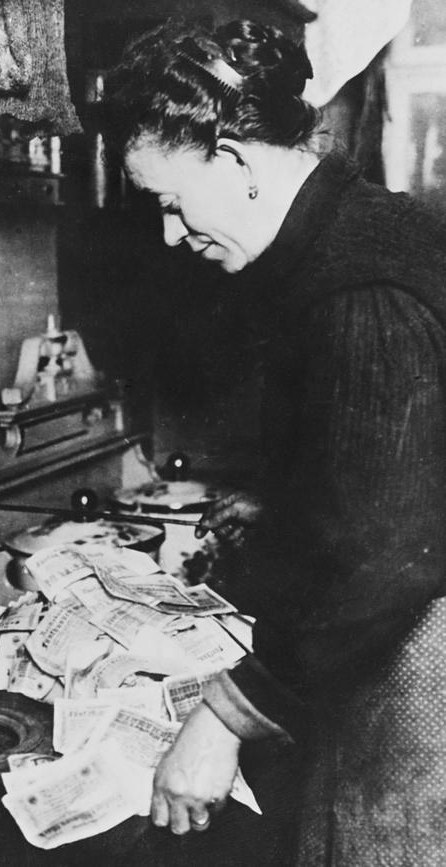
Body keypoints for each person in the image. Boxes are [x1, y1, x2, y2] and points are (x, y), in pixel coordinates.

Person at [102, 17, 446, 867]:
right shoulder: (362, 228)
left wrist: (223, 716)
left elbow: (378, 553)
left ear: (237, 160)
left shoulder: (354, 289)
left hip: (419, 669)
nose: (172, 235)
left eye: (173, 203)